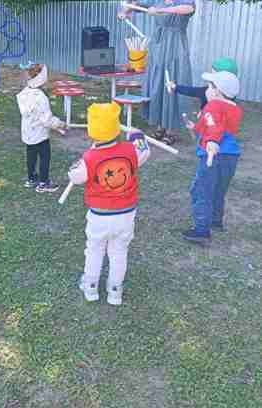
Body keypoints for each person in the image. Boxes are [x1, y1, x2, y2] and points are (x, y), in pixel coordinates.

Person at [68, 102, 150, 305]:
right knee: (119, 252)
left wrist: (79, 162)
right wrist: (137, 135)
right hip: (125, 214)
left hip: (99, 216)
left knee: (94, 250)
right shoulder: (131, 150)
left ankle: (91, 287)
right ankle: (115, 291)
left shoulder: (89, 157)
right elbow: (144, 150)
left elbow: (74, 176)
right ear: (116, 129)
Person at [118, 0, 195, 145]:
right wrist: (125, 12)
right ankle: (159, 127)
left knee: (173, 83)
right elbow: (136, 4)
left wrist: (162, 10)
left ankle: (172, 130)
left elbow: (188, 9)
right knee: (157, 83)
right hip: (159, 45)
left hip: (176, 45)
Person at [182, 71, 243, 243]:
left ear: (217, 91)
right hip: (231, 156)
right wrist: (195, 127)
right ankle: (216, 221)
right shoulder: (235, 109)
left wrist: (211, 141)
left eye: (209, 87)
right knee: (218, 190)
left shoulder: (213, 105)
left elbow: (214, 126)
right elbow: (213, 123)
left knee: (201, 190)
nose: (206, 90)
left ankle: (202, 230)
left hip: (213, 156)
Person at [17, 63, 66, 193]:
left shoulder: (24, 93)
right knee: (45, 157)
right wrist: (60, 124)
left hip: (28, 133)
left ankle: (31, 179)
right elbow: (47, 120)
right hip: (40, 134)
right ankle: (43, 183)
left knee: (31, 155)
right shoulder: (40, 97)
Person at [167, 57, 238, 110]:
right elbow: (193, 91)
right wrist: (175, 87)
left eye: (214, 74)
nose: (210, 83)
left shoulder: (210, 91)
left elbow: (193, 91)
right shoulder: (231, 94)